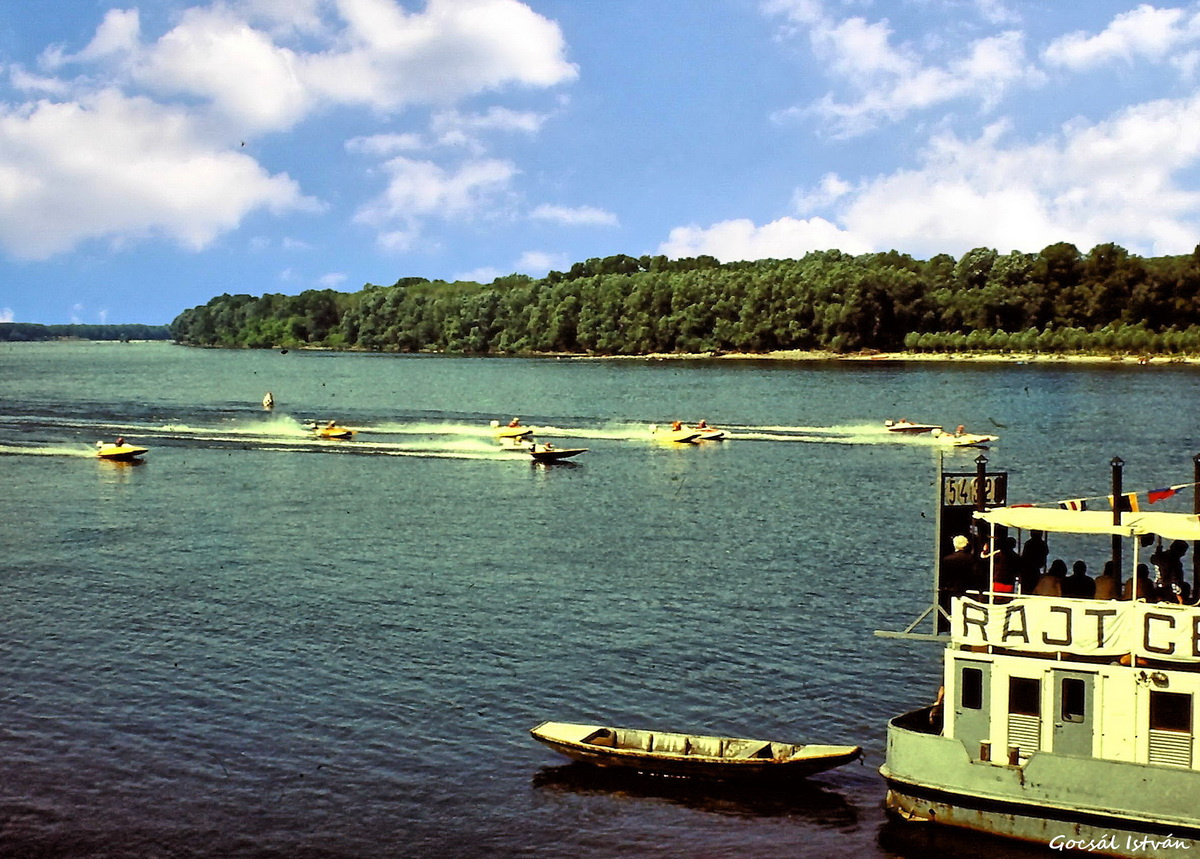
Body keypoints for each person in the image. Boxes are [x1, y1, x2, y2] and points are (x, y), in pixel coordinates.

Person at [939, 535, 977, 630]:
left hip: (952, 590)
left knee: (953, 612)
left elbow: (944, 576)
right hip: (968, 590)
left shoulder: (948, 559)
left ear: (955, 545)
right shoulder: (972, 559)